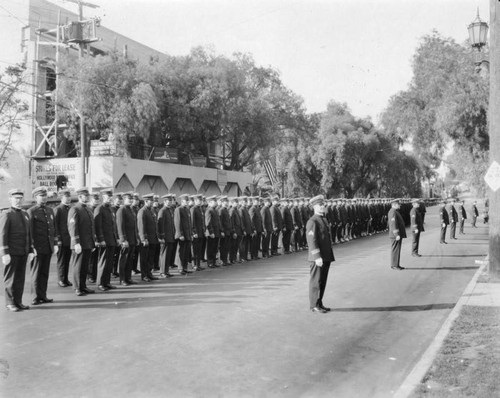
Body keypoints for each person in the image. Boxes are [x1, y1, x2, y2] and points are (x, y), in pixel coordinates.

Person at [0, 188, 34, 312]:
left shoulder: (25, 214)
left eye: (20, 198)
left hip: (23, 252)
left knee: (20, 278)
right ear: (10, 199)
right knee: (10, 279)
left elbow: (28, 234)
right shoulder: (7, 214)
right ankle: (10, 303)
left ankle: (18, 301)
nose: (18, 201)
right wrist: (4, 253)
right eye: (15, 198)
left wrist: (30, 250)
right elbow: (2, 234)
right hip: (12, 252)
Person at [27, 186, 57, 305]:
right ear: (35, 197)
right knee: (36, 272)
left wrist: (54, 243)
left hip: (47, 247)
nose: (44, 198)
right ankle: (35, 296)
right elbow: (30, 231)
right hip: (37, 248)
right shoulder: (32, 211)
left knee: (44, 272)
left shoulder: (49, 210)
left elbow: (53, 229)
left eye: (45, 196)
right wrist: (31, 247)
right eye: (41, 196)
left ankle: (42, 295)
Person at [306, 195, 335, 313]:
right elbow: (312, 240)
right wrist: (317, 256)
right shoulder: (312, 221)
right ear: (314, 207)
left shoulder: (323, 219)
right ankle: (314, 305)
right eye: (320, 205)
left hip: (325, 256)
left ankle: (319, 302)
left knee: (322, 281)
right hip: (318, 258)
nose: (323, 206)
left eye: (324, 204)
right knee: (316, 281)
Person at [68, 187, 96, 296]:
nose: (88, 197)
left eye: (88, 196)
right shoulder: (75, 209)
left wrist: (92, 242)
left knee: (84, 266)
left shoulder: (87, 209)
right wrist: (76, 243)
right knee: (78, 266)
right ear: (80, 197)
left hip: (87, 242)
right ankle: (77, 287)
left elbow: (91, 227)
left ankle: (83, 286)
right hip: (79, 243)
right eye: (86, 196)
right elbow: (72, 227)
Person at [93, 189, 118, 291]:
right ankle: (100, 283)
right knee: (103, 262)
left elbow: (112, 226)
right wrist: (100, 239)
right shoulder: (99, 209)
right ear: (103, 197)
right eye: (108, 197)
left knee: (109, 262)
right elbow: (97, 226)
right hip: (104, 240)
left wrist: (115, 238)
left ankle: (107, 282)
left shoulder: (110, 209)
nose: (110, 199)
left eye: (111, 197)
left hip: (111, 239)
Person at [116, 191, 139, 286]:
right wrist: (123, 240)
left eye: (131, 199)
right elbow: (120, 226)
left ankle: (128, 277)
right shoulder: (122, 210)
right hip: (126, 240)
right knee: (124, 260)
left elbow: (134, 226)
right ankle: (122, 279)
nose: (131, 200)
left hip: (132, 239)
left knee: (130, 260)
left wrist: (136, 238)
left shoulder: (130, 210)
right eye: (129, 199)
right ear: (124, 199)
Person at [137, 193, 159, 282]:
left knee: (150, 258)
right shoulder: (142, 211)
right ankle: (144, 275)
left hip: (153, 238)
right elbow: (141, 226)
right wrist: (143, 238)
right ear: (146, 201)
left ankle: (149, 273)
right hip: (146, 239)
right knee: (144, 258)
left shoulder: (151, 211)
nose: (152, 202)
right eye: (151, 201)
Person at [54, 189, 73, 287]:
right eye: (66, 197)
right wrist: (58, 239)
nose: (68, 198)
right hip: (61, 239)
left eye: (69, 197)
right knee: (61, 260)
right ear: (62, 198)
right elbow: (55, 225)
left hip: (69, 239)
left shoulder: (70, 209)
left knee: (67, 260)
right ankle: (61, 279)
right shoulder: (58, 209)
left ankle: (65, 278)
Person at [174, 193, 193, 275]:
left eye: (188, 201)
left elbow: (189, 223)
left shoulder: (187, 209)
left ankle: (185, 267)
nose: (187, 202)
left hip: (188, 234)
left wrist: (191, 233)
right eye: (186, 201)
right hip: (183, 235)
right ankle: (180, 268)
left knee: (186, 252)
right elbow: (177, 223)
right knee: (181, 251)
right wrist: (180, 234)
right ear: (182, 201)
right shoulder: (178, 209)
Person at [157, 194, 175, 278]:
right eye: (169, 201)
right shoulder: (162, 211)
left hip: (170, 236)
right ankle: (162, 271)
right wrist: (162, 236)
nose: (170, 202)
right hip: (165, 237)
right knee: (164, 254)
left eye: (171, 201)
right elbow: (160, 224)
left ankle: (166, 271)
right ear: (164, 202)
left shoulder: (169, 210)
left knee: (168, 255)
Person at [388, 198, 406, 270]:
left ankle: (396, 264)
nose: (400, 206)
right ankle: (394, 265)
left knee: (397, 249)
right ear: (394, 205)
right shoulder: (393, 212)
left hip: (397, 234)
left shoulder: (395, 211)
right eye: (398, 204)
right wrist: (396, 234)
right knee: (395, 249)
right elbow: (393, 224)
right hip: (395, 235)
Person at [205, 195, 221, 268]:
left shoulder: (215, 210)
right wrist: (211, 232)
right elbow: (208, 223)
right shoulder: (209, 210)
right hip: (212, 233)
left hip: (216, 232)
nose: (216, 203)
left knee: (215, 248)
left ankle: (214, 262)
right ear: (210, 202)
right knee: (210, 248)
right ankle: (210, 262)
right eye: (214, 201)